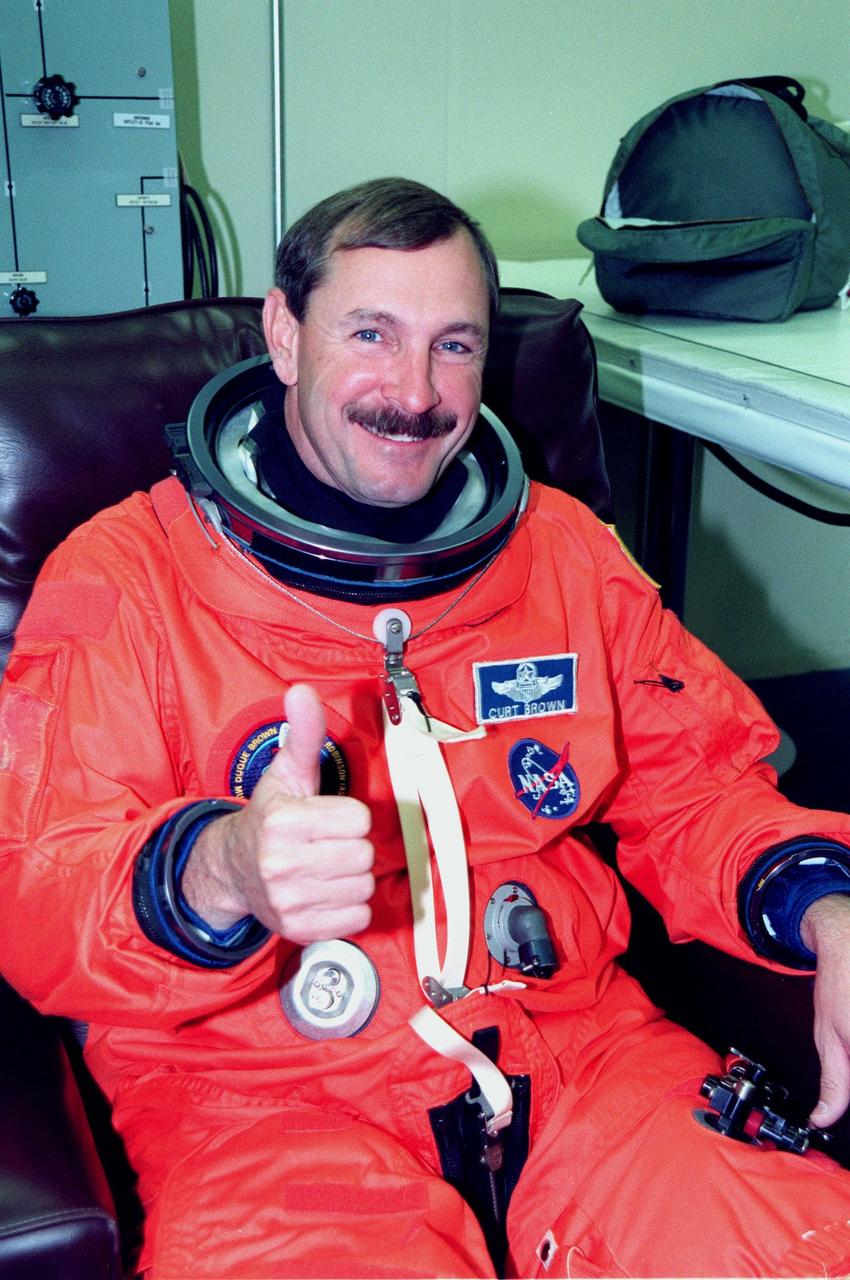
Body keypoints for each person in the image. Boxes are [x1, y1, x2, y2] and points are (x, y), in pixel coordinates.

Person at [3, 176, 850, 1279]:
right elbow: (33, 882)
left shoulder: (562, 554)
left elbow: (693, 784)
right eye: (371, 333)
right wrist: (216, 869)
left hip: (580, 1049)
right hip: (263, 1103)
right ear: (283, 332)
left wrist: (823, 903)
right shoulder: (126, 579)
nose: (414, 392)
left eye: (455, 346)